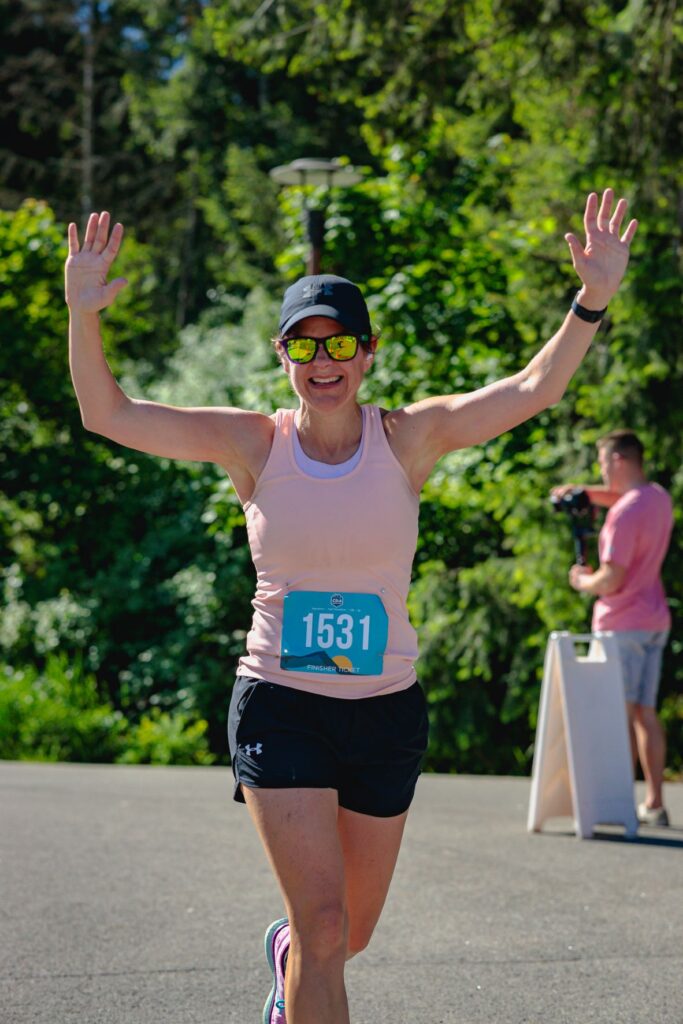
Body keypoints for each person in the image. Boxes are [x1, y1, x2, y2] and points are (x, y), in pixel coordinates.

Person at [65, 189, 637, 1024]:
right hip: (280, 704)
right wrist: (84, 313)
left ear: (366, 354)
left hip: (382, 713)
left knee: (345, 936)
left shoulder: (407, 438)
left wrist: (590, 300)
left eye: (339, 343)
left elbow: (531, 388)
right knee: (325, 924)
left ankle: (288, 963)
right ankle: (302, 956)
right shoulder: (251, 443)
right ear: (283, 355)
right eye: (305, 344)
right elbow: (105, 412)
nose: (322, 359)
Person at [553, 431, 673, 827]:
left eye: (604, 464)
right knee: (646, 714)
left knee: (615, 715)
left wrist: (582, 581)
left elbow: (611, 578)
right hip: (654, 621)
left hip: (621, 623)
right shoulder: (657, 497)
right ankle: (654, 802)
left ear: (619, 461)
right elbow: (616, 496)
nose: (602, 474)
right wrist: (582, 490)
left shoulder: (624, 514)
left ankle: (614, 803)